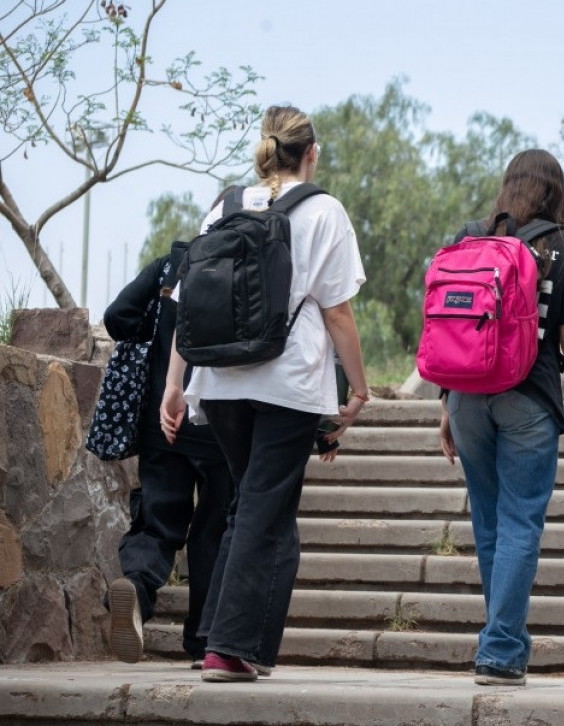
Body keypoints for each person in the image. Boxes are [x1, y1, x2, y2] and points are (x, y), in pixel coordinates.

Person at [160, 104, 370, 682]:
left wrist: (175, 386)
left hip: (219, 382)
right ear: (312, 153)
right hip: (287, 380)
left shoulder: (225, 205)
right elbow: (339, 312)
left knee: (250, 503)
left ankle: (218, 637)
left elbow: (189, 308)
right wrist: (357, 388)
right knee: (260, 505)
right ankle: (228, 648)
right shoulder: (324, 209)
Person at [437, 148, 564, 687]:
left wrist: (446, 402)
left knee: (490, 524)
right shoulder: (560, 245)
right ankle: (499, 650)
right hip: (528, 395)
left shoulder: (468, 237)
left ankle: (505, 644)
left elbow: (448, 322)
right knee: (520, 523)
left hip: (468, 394)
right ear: (554, 191)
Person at [102, 246, 232, 667]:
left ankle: (137, 589)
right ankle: (205, 641)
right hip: (222, 424)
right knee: (212, 530)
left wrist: (156, 338)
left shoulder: (172, 264)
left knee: (156, 520)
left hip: (164, 420)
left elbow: (117, 316)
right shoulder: (256, 265)